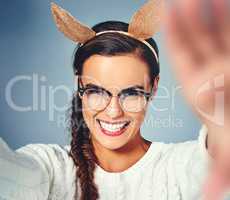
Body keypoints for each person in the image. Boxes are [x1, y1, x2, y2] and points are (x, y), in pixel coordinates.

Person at [0, 0, 230, 199]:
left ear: (154, 87)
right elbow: (10, 178)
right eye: (97, 91)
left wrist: (222, 117)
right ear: (79, 84)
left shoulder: (180, 167)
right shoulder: (50, 168)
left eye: (131, 93)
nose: (113, 112)